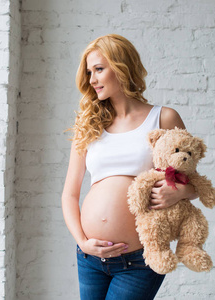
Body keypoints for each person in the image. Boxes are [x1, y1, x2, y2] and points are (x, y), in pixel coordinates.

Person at [61, 34, 198, 300]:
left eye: (99, 69)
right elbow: (69, 194)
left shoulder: (163, 117)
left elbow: (194, 185)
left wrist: (180, 192)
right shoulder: (88, 126)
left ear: (122, 67)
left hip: (141, 259)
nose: (92, 80)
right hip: (90, 258)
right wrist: (83, 241)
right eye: (89, 72)